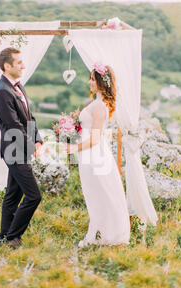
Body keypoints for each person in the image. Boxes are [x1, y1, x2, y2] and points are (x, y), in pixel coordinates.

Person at [66, 63, 131, 247]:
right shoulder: (96, 104)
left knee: (100, 194)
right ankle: (100, 232)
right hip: (90, 156)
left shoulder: (100, 107)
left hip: (95, 156)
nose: (90, 82)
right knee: (95, 195)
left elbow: (95, 139)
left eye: (93, 79)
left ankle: (105, 235)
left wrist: (73, 148)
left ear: (102, 83)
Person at [0, 47, 43, 249]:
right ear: (7, 65)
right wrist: (33, 148)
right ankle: (13, 236)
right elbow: (14, 126)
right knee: (33, 196)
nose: (23, 65)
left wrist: (37, 139)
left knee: (13, 196)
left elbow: (29, 117)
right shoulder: (2, 91)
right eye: (19, 62)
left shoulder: (17, 86)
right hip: (14, 150)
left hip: (21, 148)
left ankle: (4, 237)